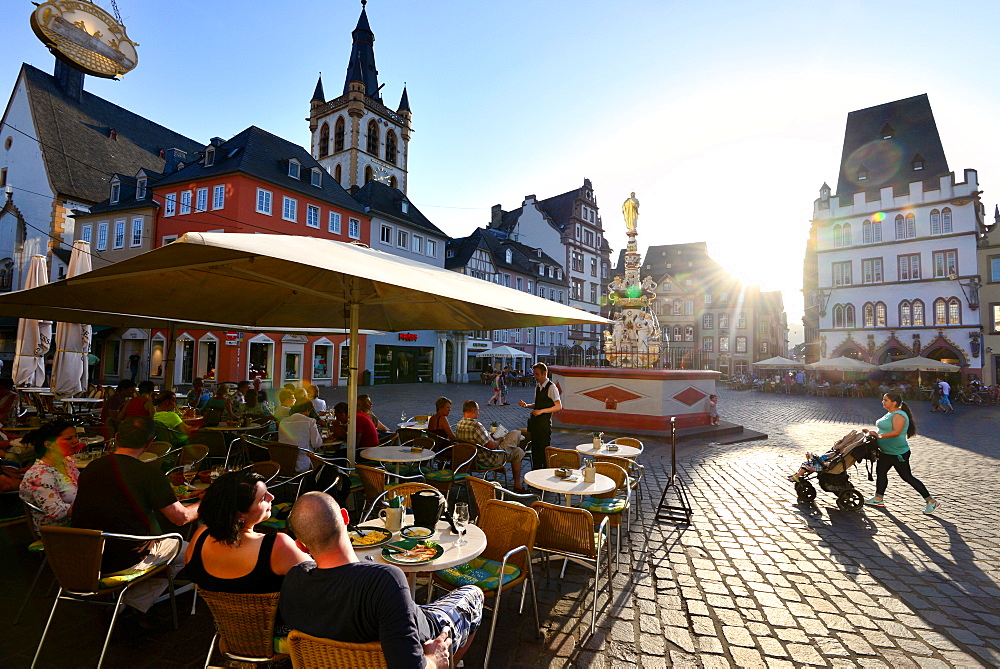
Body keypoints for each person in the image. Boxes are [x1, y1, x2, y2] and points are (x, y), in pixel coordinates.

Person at [280, 492, 483, 669]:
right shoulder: (384, 581)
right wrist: (433, 659)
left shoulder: (294, 580)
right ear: (345, 517)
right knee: (473, 594)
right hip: (429, 631)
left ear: (301, 546)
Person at [72, 416, 202, 614]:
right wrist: (206, 502)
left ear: (117, 437)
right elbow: (181, 518)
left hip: (84, 557)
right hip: (125, 560)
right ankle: (133, 602)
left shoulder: (91, 468)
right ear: (150, 443)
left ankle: (129, 600)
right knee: (186, 550)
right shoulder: (148, 473)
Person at [184, 471, 310, 593]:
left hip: (221, 613)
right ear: (239, 516)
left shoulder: (200, 536)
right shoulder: (277, 545)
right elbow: (322, 582)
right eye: (263, 498)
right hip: (276, 613)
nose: (272, 497)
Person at [862, 392, 940, 513]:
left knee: (907, 477)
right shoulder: (890, 413)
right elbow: (884, 428)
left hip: (898, 453)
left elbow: (896, 432)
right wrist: (872, 433)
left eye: (885, 400)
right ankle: (878, 498)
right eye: (883, 399)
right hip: (886, 452)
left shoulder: (899, 415)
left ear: (894, 403)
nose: (883, 402)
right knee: (881, 473)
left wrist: (879, 436)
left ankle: (931, 501)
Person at [19, 420, 80, 529]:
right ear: (49, 445)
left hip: (79, 525)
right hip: (58, 534)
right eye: (69, 438)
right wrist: (92, 507)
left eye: (75, 436)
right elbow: (56, 512)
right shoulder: (39, 475)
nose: (76, 441)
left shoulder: (67, 463)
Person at [455, 400, 526, 491]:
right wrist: (499, 439)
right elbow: (491, 446)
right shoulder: (476, 426)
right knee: (516, 434)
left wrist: (490, 437)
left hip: (470, 459)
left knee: (518, 451)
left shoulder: (459, 424)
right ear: (473, 410)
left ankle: (518, 485)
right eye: (478, 410)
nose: (479, 412)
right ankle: (518, 485)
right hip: (488, 459)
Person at [519, 362, 562, 470]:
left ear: (544, 373)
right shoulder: (538, 387)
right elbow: (537, 405)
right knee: (535, 452)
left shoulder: (551, 387)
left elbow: (558, 406)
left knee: (543, 452)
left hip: (544, 425)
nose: (535, 377)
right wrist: (527, 406)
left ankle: (543, 474)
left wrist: (542, 411)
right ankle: (535, 473)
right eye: (534, 374)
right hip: (535, 424)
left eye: (537, 374)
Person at [278, 402, 322, 472]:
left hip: (285, 464)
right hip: (303, 465)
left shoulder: (283, 422)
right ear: (307, 410)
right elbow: (316, 444)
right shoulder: (310, 421)